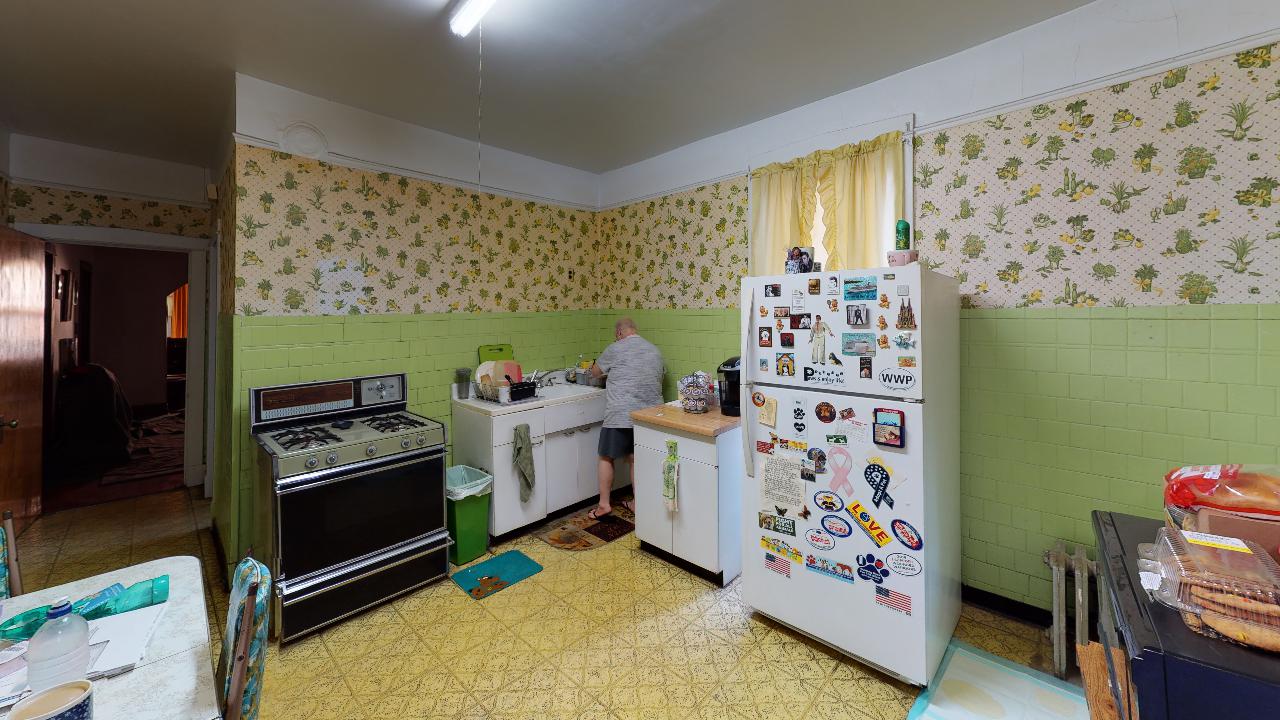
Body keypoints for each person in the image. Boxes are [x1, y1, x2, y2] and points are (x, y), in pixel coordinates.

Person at [588, 318, 664, 519]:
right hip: (648, 415)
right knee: (635, 458)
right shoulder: (654, 350)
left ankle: (604, 505)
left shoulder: (615, 348)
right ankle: (637, 503)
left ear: (619, 333)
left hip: (620, 412)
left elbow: (594, 373)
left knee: (606, 456)